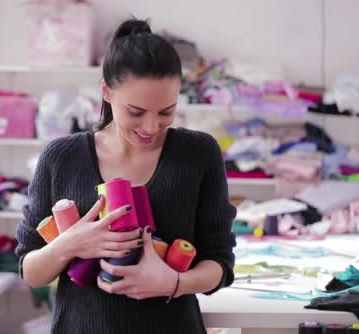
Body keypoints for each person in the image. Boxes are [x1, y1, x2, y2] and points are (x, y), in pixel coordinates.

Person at [16, 18, 236, 334]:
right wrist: (70, 245)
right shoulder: (61, 157)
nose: (150, 127)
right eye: (136, 111)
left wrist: (173, 283)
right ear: (106, 91)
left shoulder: (198, 154)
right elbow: (31, 271)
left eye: (166, 112)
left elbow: (220, 263)